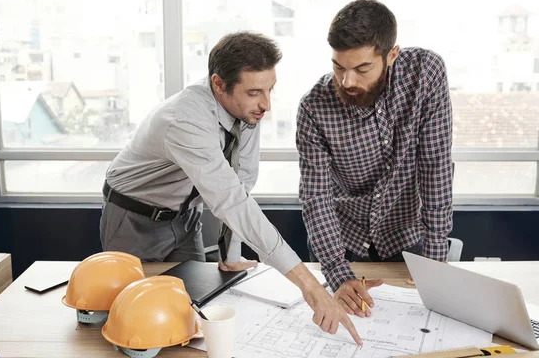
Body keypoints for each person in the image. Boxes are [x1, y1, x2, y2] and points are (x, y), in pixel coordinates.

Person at [100, 31, 362, 343]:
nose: (266, 105)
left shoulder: (246, 111)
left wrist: (231, 252)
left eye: (270, 90)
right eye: (254, 92)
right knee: (136, 322)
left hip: (185, 218)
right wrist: (311, 287)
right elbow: (231, 201)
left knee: (192, 313)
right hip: (134, 216)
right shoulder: (187, 119)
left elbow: (241, 183)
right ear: (219, 85)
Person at [297, 0, 453, 318]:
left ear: (391, 55)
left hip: (407, 236)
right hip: (341, 241)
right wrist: (338, 273)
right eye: (339, 66)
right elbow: (316, 197)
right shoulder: (313, 107)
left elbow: (435, 167)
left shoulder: (426, 74)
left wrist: (436, 258)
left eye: (362, 68)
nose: (347, 81)